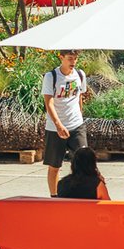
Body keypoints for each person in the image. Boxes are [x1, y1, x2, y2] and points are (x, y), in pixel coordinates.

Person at [42, 50, 90, 195]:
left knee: (84, 163)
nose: (73, 62)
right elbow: (49, 102)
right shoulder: (51, 76)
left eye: (75, 58)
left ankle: (81, 195)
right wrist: (58, 125)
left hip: (76, 125)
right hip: (55, 128)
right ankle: (54, 197)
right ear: (61, 57)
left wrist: (80, 115)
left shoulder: (80, 75)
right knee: (54, 166)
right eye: (70, 58)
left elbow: (79, 96)